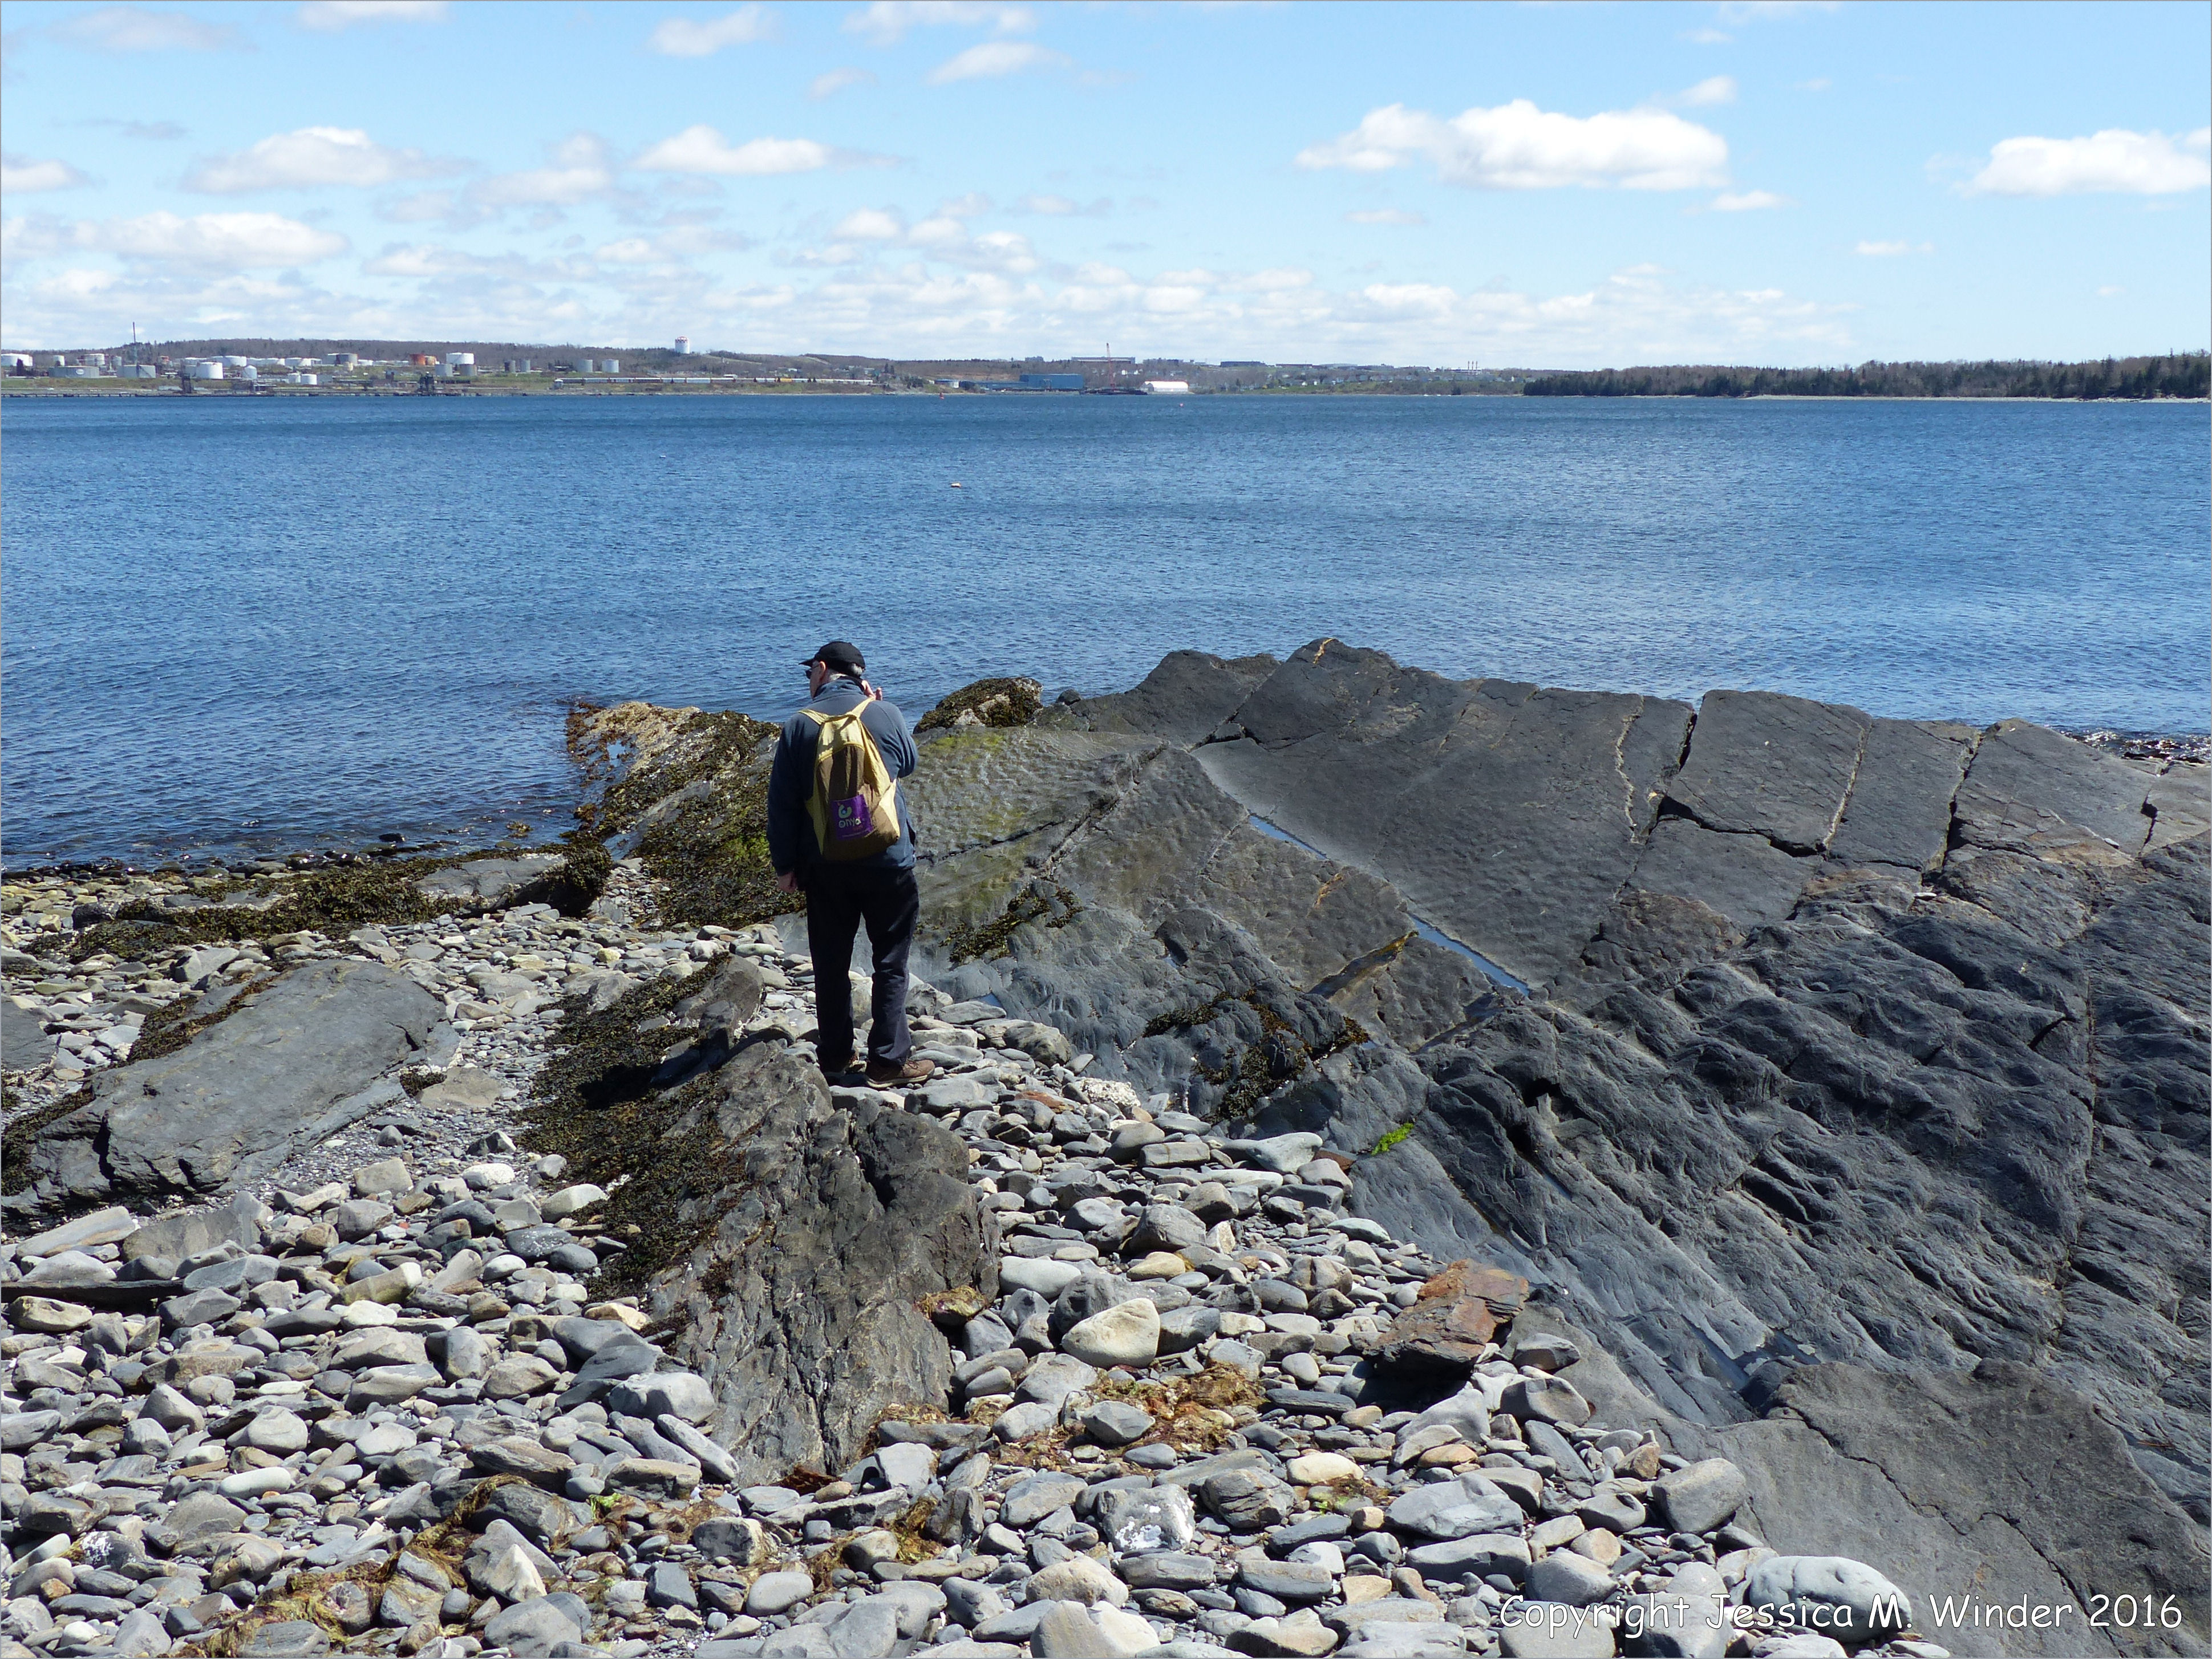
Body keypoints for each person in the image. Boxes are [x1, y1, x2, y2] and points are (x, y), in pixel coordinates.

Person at [767, 640, 937, 1088]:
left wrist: (785, 866)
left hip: (826, 865)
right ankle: (887, 1062)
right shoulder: (884, 712)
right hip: (889, 861)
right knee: (891, 960)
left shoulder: (798, 726)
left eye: (809, 672)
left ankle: (836, 1054)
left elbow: (782, 805)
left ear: (823, 669)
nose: (809, 679)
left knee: (830, 961)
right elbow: (910, 762)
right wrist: (880, 709)